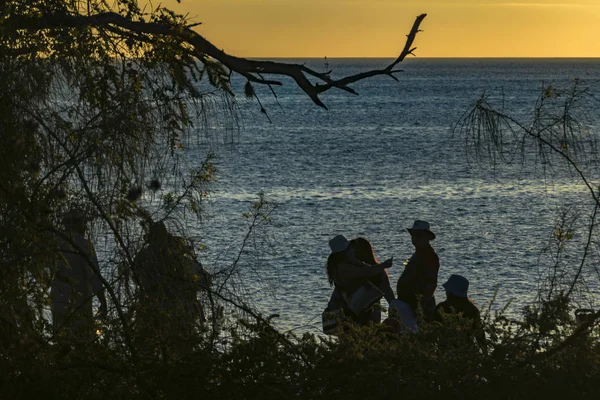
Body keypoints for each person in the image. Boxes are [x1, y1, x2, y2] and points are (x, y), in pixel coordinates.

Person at [132, 221, 210, 357]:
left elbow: (136, 279)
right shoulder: (177, 257)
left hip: (150, 308)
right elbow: (206, 280)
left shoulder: (142, 256)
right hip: (177, 311)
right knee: (180, 350)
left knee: (147, 351)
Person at [51, 208, 107, 343]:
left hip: (58, 299)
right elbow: (94, 277)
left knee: (62, 340)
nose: (86, 227)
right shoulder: (85, 245)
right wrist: (103, 302)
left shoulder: (54, 243)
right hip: (79, 302)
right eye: (83, 223)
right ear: (76, 224)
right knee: (83, 341)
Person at [326, 235, 393, 326]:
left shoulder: (345, 266)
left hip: (354, 310)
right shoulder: (343, 268)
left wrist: (356, 261)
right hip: (355, 312)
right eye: (350, 248)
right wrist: (383, 265)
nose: (353, 250)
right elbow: (367, 271)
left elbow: (367, 270)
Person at [396, 220, 439, 320]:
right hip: (410, 304)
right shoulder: (417, 254)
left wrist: (421, 305)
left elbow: (432, 283)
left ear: (427, 237)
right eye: (413, 236)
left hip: (418, 306)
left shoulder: (430, 256)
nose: (415, 239)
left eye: (419, 236)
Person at [434, 274, 485, 347]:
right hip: (468, 351)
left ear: (451, 293)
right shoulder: (472, 310)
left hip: (444, 351)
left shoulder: (441, 308)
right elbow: (480, 336)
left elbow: (432, 332)